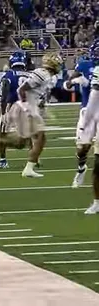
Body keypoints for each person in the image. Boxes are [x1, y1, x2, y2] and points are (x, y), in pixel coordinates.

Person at [65, 44, 99, 214]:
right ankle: (81, 169)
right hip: (88, 110)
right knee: (82, 147)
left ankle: (97, 200)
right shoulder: (85, 65)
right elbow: (67, 83)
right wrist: (73, 82)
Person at [0, 52, 31, 169]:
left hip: (11, 106)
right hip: (25, 107)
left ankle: (2, 160)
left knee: (2, 133)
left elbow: (5, 90)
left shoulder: (9, 74)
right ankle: (33, 159)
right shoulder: (30, 75)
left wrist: (3, 111)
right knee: (27, 137)